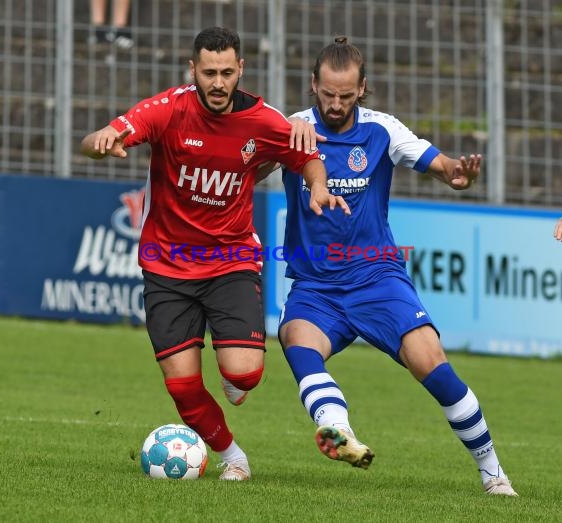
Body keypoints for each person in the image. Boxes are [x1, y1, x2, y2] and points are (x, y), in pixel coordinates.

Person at [80, 26, 348, 481]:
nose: (218, 82)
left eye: (227, 72)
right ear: (193, 70)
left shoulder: (262, 119)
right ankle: (233, 457)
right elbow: (99, 139)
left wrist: (317, 184)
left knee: (244, 376)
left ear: (240, 69)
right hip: (166, 265)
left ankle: (232, 370)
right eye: (209, 73)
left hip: (231, 262)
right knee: (183, 388)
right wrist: (103, 140)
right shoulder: (168, 109)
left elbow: (305, 155)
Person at [260, 36, 518, 496]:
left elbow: (436, 163)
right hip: (316, 286)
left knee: (431, 363)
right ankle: (339, 430)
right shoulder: (291, 127)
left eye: (346, 95)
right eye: (327, 94)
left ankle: (492, 471)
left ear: (363, 89)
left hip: (376, 277)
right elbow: (244, 165)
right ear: (313, 84)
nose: (335, 105)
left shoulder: (383, 130)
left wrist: (455, 172)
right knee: (295, 339)